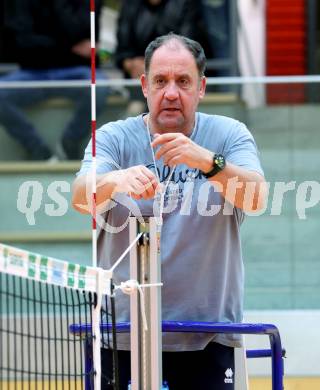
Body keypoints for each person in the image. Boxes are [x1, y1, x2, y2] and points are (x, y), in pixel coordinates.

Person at [72, 33, 267, 390]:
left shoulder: (228, 134)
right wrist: (115, 179)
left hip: (209, 336)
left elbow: (255, 198)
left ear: (201, 87)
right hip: (123, 336)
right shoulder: (114, 138)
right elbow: (81, 197)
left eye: (183, 81)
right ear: (144, 85)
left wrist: (208, 162)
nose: (171, 92)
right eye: (161, 81)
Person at [0, 0, 108, 160]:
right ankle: (39, 151)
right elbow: (21, 42)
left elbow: (85, 33)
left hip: (74, 71)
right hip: (33, 71)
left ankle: (70, 141)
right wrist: (69, 46)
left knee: (99, 87)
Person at [115, 0, 204, 115]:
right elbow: (122, 52)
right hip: (136, 79)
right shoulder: (130, 5)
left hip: (177, 70)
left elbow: (189, 48)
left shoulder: (185, 3)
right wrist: (132, 64)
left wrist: (157, 66)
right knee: (137, 110)